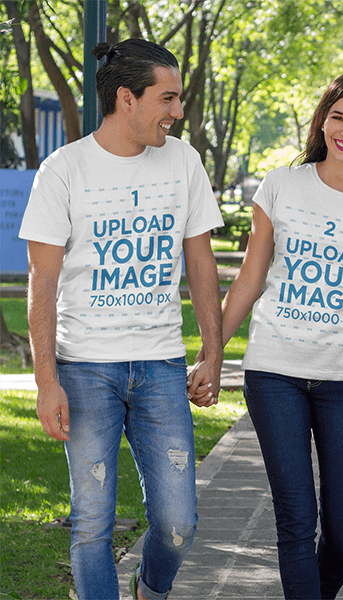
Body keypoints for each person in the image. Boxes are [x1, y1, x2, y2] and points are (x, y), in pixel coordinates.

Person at [20, 39, 223, 600]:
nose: (178, 111)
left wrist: (213, 349)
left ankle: (150, 588)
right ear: (127, 99)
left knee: (180, 524)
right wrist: (46, 381)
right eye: (169, 98)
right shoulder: (63, 170)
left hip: (160, 366)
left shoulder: (183, 160)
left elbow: (201, 260)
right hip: (85, 369)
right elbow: (43, 283)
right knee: (91, 523)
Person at [196, 70, 343, 599]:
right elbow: (249, 279)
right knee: (296, 518)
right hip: (274, 373)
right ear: (322, 121)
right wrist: (211, 354)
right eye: (338, 117)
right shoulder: (281, 185)